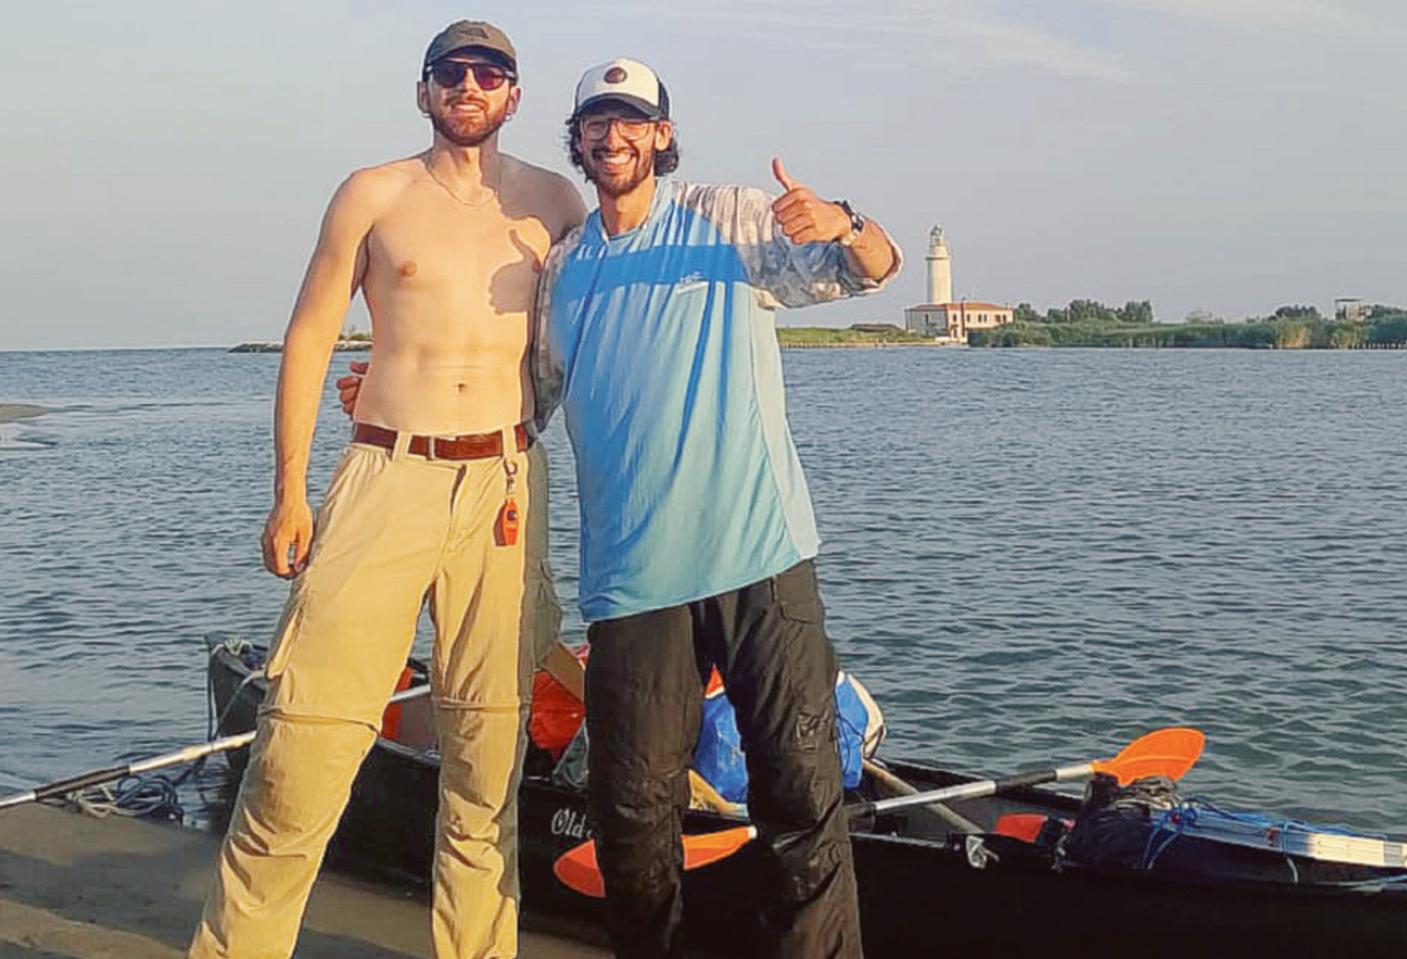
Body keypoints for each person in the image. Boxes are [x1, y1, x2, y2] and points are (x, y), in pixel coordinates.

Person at [189, 21, 585, 959]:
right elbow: (310, 334)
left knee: (486, 763)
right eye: (452, 72)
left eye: (489, 73)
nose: (469, 85)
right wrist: (290, 490)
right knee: (301, 745)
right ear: (424, 90)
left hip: (506, 484)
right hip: (385, 472)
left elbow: (601, 330)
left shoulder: (555, 203)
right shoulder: (374, 193)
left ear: (514, 95)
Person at [541, 59, 900, 959]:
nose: (614, 136)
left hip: (761, 559)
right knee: (631, 820)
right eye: (597, 121)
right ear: (578, 138)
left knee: (800, 799)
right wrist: (396, 394)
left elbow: (872, 272)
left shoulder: (725, 217)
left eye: (633, 120)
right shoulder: (563, 269)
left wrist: (848, 224)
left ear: (662, 135)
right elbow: (521, 402)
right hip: (633, 583)